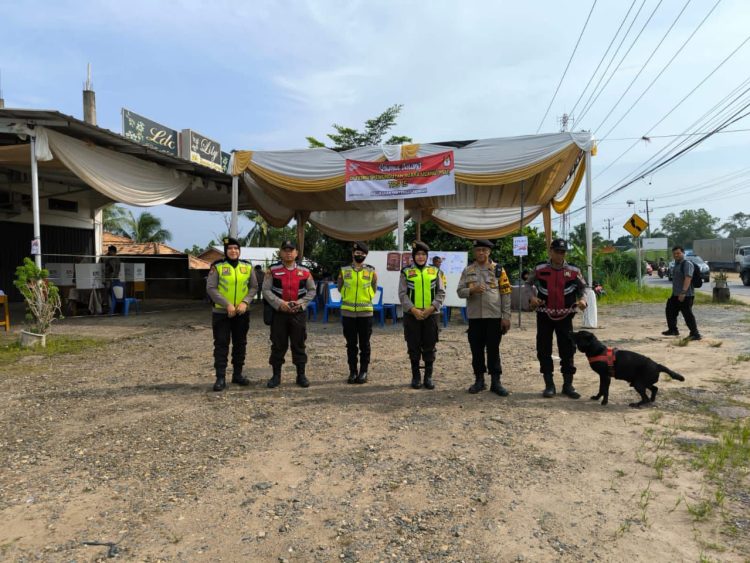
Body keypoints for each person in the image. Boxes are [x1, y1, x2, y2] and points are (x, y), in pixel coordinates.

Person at [527, 238, 588, 399]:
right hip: (544, 315)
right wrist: (532, 297)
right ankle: (549, 385)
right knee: (543, 348)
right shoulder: (540, 268)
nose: (560, 255)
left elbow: (583, 288)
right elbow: (528, 285)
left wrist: (583, 300)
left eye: (563, 252)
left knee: (567, 349)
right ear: (551, 252)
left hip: (566, 316)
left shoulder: (574, 270)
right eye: (557, 251)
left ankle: (568, 385)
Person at [456, 239, 512, 396]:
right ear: (474, 252)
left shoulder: (499, 270)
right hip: (475, 318)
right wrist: (471, 290)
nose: (481, 252)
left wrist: (506, 317)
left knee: (494, 349)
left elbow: (506, 293)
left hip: (494, 317)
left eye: (484, 250)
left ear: (489, 252)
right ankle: (479, 380)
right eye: (478, 250)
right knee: (476, 350)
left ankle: (496, 382)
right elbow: (459, 291)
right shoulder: (468, 271)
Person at [206, 237, 258, 392]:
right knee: (221, 344)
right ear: (226, 251)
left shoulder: (247, 266)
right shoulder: (218, 266)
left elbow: (254, 287)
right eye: (230, 249)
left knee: (240, 344)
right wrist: (227, 304)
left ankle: (238, 374)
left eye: (236, 248)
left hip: (242, 313)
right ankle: (220, 377)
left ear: (239, 250)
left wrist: (245, 302)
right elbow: (211, 288)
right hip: (222, 313)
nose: (233, 251)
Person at [262, 240, 316, 388]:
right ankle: (276, 376)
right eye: (285, 250)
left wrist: (301, 303)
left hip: (298, 313)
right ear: (281, 252)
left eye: (291, 250)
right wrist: (280, 304)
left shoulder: (305, 271)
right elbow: (266, 290)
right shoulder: (272, 270)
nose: (288, 252)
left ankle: (301, 375)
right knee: (278, 344)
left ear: (296, 253)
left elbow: (312, 291)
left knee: (299, 344)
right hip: (279, 313)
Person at [399, 241, 445, 390]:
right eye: (418, 254)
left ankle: (428, 376)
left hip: (431, 315)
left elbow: (441, 292)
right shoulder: (405, 271)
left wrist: (431, 308)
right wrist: (413, 310)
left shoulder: (435, 271)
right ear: (413, 256)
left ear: (427, 256)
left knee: (430, 345)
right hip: (412, 315)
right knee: (413, 345)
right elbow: (402, 294)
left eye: (423, 254)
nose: (420, 257)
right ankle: (416, 376)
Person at [337, 241, 378, 384]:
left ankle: (364, 372)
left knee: (365, 344)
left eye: (362, 253)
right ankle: (353, 372)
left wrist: (368, 297)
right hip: (348, 313)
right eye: (357, 253)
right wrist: (346, 295)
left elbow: (374, 287)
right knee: (351, 344)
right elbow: (339, 286)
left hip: (365, 313)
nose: (359, 255)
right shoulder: (344, 270)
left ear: (365, 255)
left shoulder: (371, 271)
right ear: (353, 253)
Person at [662, 245, 701, 340]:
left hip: (686, 295)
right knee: (670, 310)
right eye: (675, 254)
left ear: (683, 253)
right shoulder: (676, 264)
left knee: (687, 314)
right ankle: (673, 330)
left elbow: (688, 278)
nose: (676, 255)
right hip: (675, 294)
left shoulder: (687, 264)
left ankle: (695, 334)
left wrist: (683, 292)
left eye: (678, 253)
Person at [102, 245, 121, 313]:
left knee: (112, 294)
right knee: (107, 293)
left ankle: (113, 308)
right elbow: (103, 260)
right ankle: (109, 308)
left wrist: (113, 278)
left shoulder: (116, 259)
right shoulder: (107, 258)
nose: (109, 252)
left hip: (114, 279)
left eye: (111, 251)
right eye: (109, 251)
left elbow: (116, 270)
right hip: (108, 279)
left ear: (114, 252)